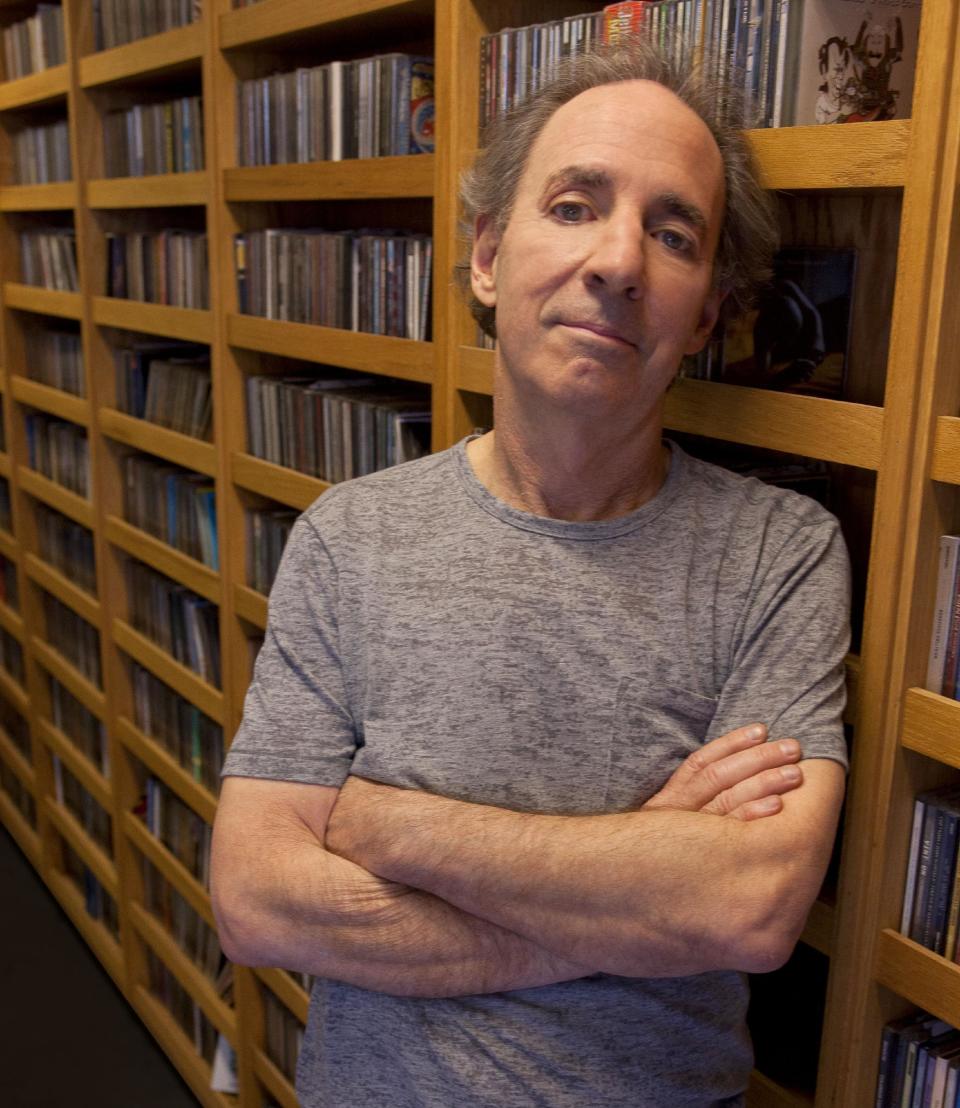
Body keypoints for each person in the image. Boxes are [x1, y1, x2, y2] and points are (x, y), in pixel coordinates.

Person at [211, 40, 850, 1108]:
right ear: (487, 257)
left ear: (704, 315)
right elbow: (257, 901)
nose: (619, 260)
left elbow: (748, 909)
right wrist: (640, 881)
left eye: (674, 231)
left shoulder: (779, 555)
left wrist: (391, 826)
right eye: (573, 205)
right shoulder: (348, 537)